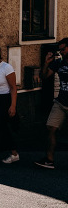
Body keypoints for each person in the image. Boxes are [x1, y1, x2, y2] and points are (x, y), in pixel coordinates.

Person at [35, 38, 68, 169]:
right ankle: (49, 160)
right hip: (60, 102)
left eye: (63, 49)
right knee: (51, 128)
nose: (61, 52)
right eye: (60, 50)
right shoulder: (59, 63)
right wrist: (46, 63)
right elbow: (44, 77)